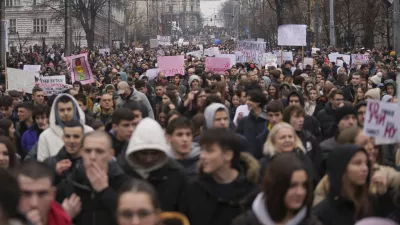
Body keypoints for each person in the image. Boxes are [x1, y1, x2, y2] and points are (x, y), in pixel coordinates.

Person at [180, 128, 259, 225]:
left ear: (228, 155)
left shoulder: (252, 191)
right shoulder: (194, 189)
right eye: (202, 150)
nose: (202, 156)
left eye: (209, 150)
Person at [56, 131, 130, 225]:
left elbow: (130, 218)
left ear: (111, 154)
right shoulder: (68, 184)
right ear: (81, 152)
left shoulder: (124, 183)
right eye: (87, 151)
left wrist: (105, 191)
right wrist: (64, 216)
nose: (92, 157)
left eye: (99, 151)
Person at [232, 153, 320, 225]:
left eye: (304, 185)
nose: (300, 192)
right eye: (293, 186)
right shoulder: (244, 222)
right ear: (276, 186)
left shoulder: (312, 223)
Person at [122, 118, 187, 211]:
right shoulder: (122, 173)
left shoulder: (176, 174)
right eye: (144, 153)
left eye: (154, 153)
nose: (149, 159)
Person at [314, 144, 377, 225]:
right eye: (357, 163)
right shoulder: (322, 213)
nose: (365, 168)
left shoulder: (372, 202)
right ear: (341, 168)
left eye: (366, 163)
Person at [37, 94, 93, 161]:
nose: (66, 113)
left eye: (69, 109)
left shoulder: (89, 132)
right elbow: (42, 165)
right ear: (56, 111)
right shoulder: (45, 136)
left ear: (75, 110)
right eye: (62, 110)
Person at [17, 160, 73, 225]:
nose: (34, 203)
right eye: (26, 194)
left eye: (42, 194)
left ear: (52, 194)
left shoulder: (63, 220)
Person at [283, 105, 324, 178]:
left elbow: (318, 162)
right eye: (297, 117)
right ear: (288, 119)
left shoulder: (310, 138)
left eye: (302, 117)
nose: (301, 120)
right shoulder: (281, 139)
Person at [44, 120, 84, 185]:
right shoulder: (50, 163)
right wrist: (55, 174)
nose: (71, 141)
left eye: (76, 137)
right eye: (68, 136)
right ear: (63, 138)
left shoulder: (91, 164)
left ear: (83, 138)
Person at [166, 117, 201, 181]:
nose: (185, 139)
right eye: (179, 135)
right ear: (169, 138)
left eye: (188, 134)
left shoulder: (202, 163)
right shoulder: (163, 166)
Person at [236, 89, 268, 158]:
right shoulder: (243, 121)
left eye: (250, 100)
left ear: (258, 102)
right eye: (247, 100)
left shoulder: (267, 122)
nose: (247, 102)